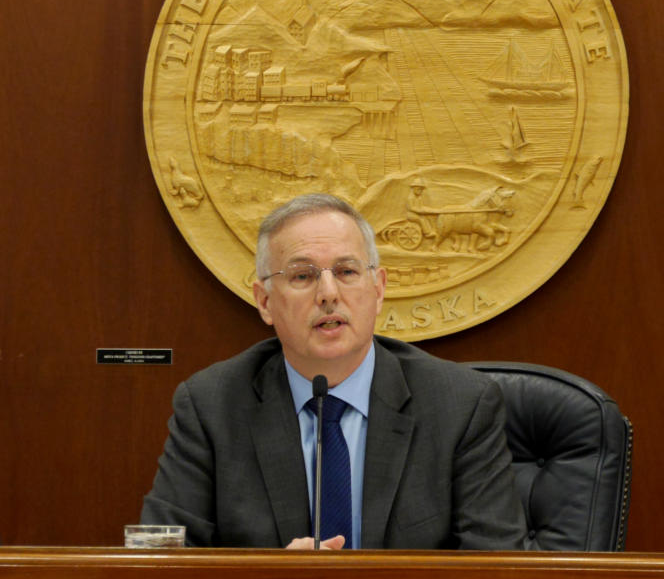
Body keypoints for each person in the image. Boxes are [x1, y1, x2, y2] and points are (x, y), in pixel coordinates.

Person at [141, 193, 528, 550]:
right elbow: (161, 563)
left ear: (377, 290)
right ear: (264, 302)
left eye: (346, 272)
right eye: (303, 276)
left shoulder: (461, 405)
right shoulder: (212, 406)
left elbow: (498, 570)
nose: (328, 294)